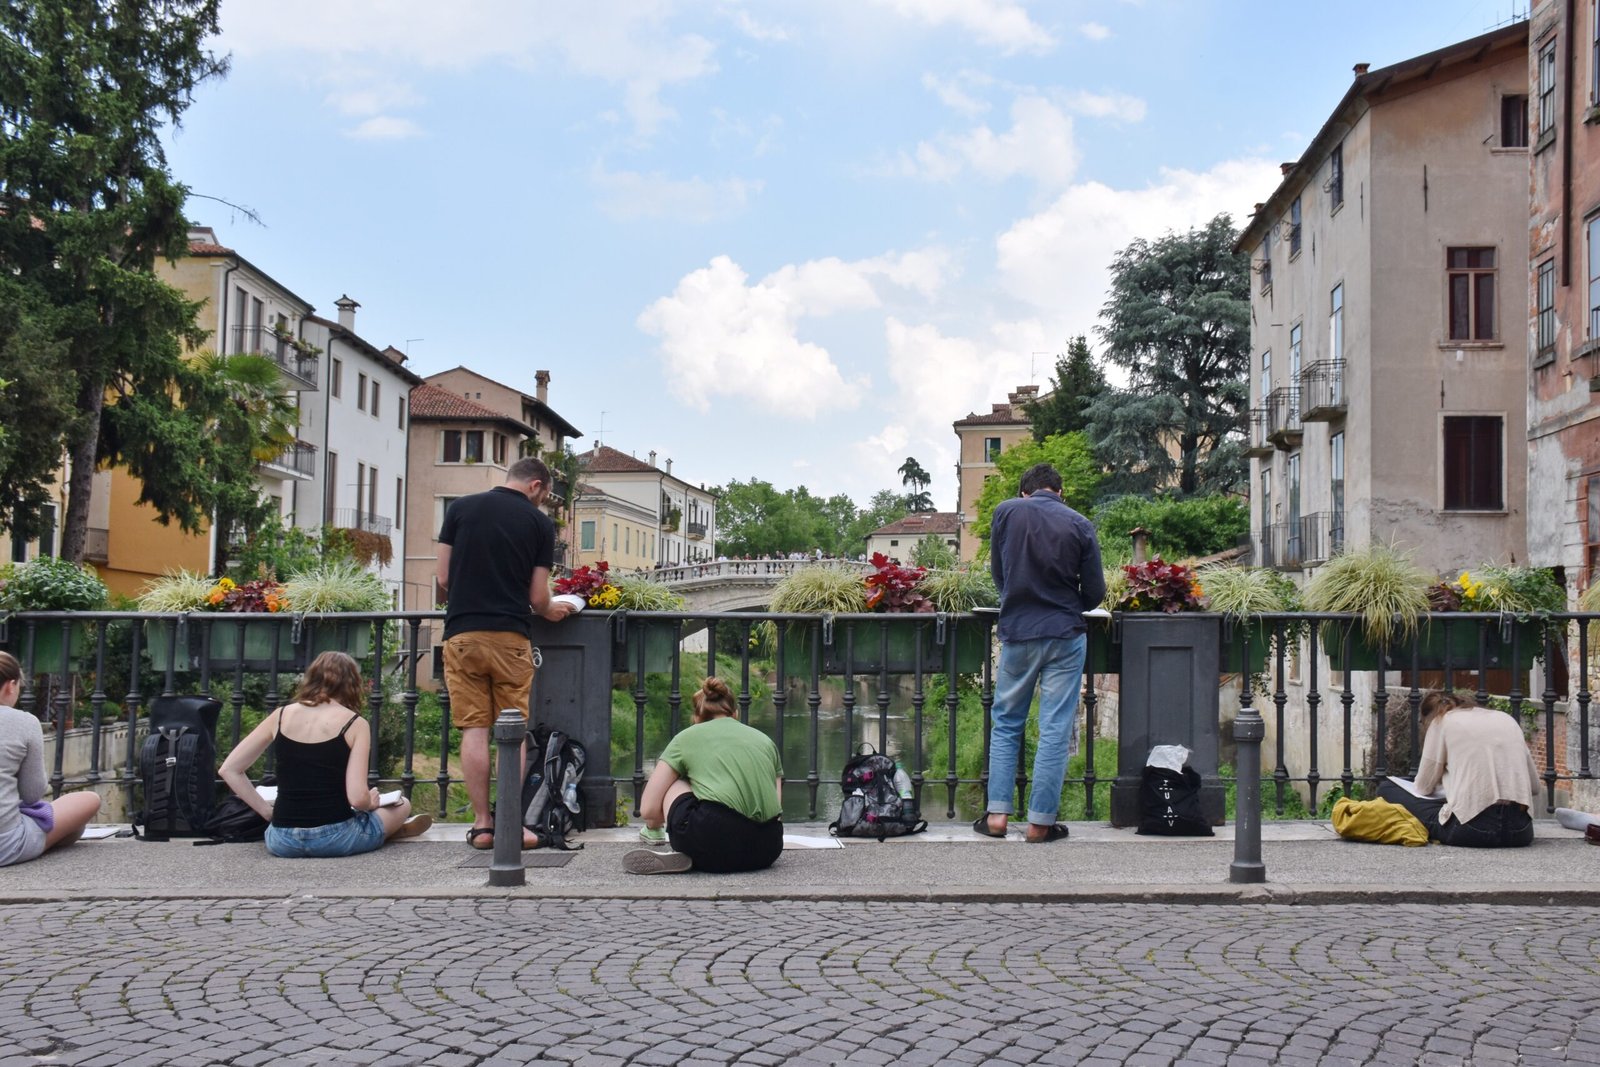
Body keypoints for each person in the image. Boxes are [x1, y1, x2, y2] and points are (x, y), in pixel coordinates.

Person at [436, 456, 575, 849]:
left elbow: (443, 578)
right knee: (510, 735)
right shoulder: (538, 523)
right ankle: (511, 826)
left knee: (474, 729)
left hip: (461, 634)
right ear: (536, 486)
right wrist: (552, 608)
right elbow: (537, 597)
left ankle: (482, 827)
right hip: (510, 638)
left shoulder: (459, 509)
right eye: (545, 495)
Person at [975, 462, 1105, 843]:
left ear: (1024, 492)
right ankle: (1040, 824)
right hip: (1065, 634)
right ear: (1060, 492)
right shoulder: (1079, 522)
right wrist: (1067, 604)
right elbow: (1095, 591)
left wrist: (1017, 599)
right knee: (1054, 728)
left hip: (1018, 631)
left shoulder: (1006, 511)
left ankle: (997, 816)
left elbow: (1000, 574)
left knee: (1007, 723)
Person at [220, 651, 431, 857]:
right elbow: (357, 798)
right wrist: (371, 803)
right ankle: (387, 831)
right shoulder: (354, 723)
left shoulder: (281, 715)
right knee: (403, 804)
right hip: (336, 837)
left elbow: (229, 770)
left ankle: (383, 832)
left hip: (281, 839)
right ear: (352, 684)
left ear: (311, 678)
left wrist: (268, 813)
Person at [624, 677, 783, 875]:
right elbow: (777, 807)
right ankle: (699, 852)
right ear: (735, 714)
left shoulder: (687, 737)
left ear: (696, 718)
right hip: (768, 847)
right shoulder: (766, 741)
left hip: (713, 838)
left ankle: (656, 834)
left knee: (677, 782)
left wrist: (656, 821)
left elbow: (648, 809)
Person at [1376, 690, 1540, 848]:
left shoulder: (1441, 721)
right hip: (1520, 831)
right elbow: (1534, 787)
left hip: (1472, 830)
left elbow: (1423, 788)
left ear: (1428, 717)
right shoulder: (1506, 719)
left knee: (1387, 788)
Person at [0, 652, 101, 866]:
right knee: (87, 802)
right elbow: (32, 793)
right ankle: (44, 838)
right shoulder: (24, 721)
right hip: (5, 844)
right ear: (10, 686)